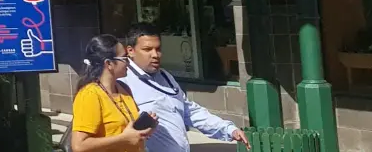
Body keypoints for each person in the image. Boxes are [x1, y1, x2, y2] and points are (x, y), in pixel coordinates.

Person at [122, 24, 248, 152]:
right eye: (147, 49)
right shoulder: (122, 83)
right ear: (130, 51)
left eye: (158, 49)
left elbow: (190, 111)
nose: (155, 55)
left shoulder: (165, 77)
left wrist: (228, 129)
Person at [70, 34, 155, 152]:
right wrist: (123, 138)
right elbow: (79, 146)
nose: (129, 62)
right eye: (124, 58)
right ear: (109, 64)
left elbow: (128, 131)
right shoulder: (90, 94)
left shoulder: (123, 88)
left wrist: (143, 129)